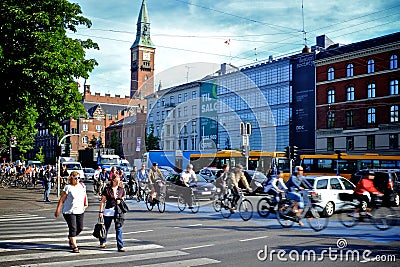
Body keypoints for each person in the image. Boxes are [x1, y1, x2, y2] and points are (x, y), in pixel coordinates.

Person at [54, 171, 88, 253]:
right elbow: (62, 199)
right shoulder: (67, 187)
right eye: (76, 178)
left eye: (79, 178)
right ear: (71, 178)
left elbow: (85, 194)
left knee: (80, 228)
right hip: (69, 211)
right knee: (73, 227)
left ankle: (71, 237)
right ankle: (74, 245)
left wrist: (86, 203)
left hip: (80, 210)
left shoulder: (82, 186)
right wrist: (58, 209)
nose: (77, 180)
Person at [98, 173, 126, 252]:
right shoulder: (107, 189)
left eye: (119, 181)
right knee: (106, 227)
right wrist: (100, 211)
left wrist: (120, 201)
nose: (117, 182)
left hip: (118, 211)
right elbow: (103, 201)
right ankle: (103, 241)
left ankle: (120, 246)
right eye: (116, 181)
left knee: (119, 228)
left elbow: (123, 200)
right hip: (108, 211)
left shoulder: (121, 190)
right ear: (112, 181)